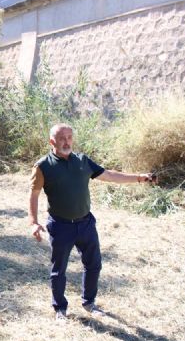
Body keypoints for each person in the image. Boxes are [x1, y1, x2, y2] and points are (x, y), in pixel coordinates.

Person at [29, 123, 157, 321]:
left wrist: (139, 178)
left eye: (69, 137)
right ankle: (60, 308)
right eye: (62, 138)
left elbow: (110, 175)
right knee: (58, 270)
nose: (66, 142)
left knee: (94, 265)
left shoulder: (82, 161)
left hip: (86, 223)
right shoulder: (43, 166)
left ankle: (89, 302)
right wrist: (34, 222)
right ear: (52, 141)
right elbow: (34, 194)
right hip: (60, 225)